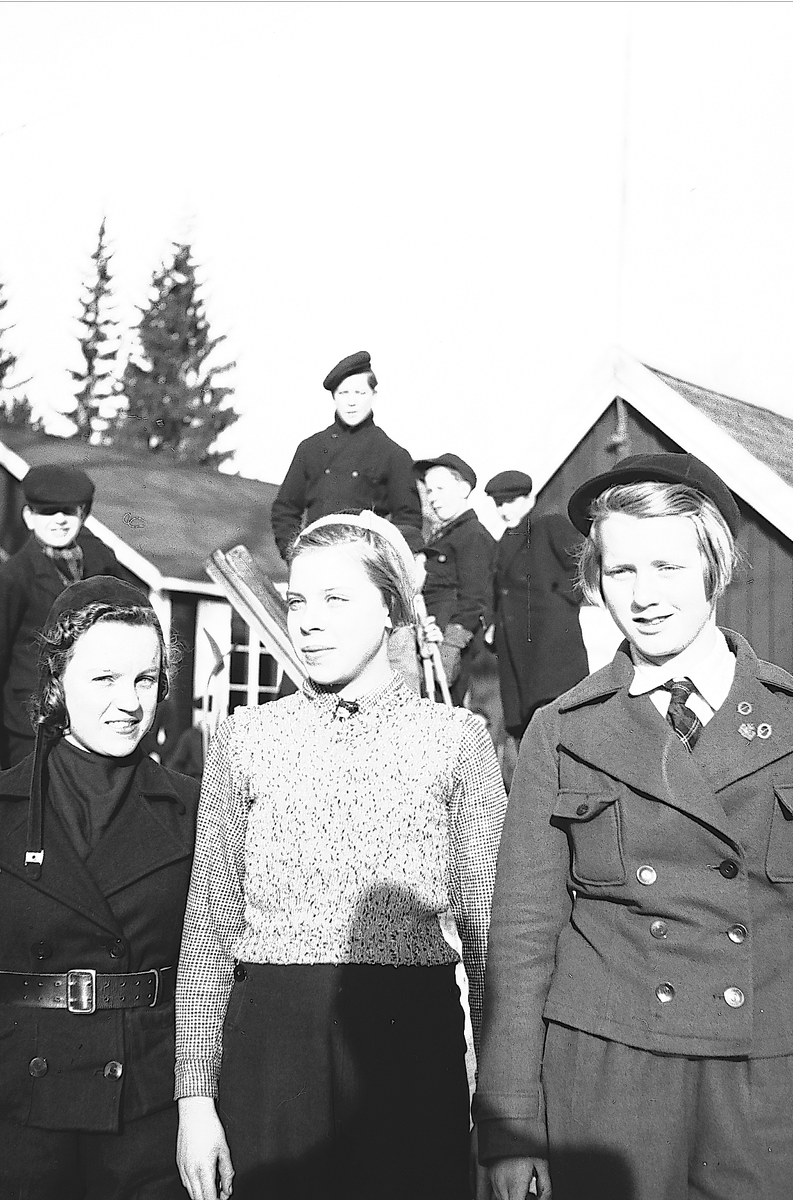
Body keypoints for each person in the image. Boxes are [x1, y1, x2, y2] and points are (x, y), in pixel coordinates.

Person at [475, 453, 793, 1200]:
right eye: (620, 571)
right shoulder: (561, 730)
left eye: (668, 567)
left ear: (715, 567)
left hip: (758, 1090)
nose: (644, 596)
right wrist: (512, 1126)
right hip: (604, 1086)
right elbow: (520, 943)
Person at [175, 511, 507, 1200]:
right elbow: (209, 929)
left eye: (335, 599)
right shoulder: (245, 738)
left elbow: (488, 940)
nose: (308, 623)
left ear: (390, 608)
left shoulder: (456, 740)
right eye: (297, 601)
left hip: (407, 1052)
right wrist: (194, 1100)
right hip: (271, 1052)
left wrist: (505, 1110)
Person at [0, 576, 199, 1200]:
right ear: (57, 682)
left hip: (149, 1116)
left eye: (145, 679)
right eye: (104, 678)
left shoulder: (197, 812)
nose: (129, 702)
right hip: (14, 1117)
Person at [0, 463, 131, 769]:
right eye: (47, 512)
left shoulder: (102, 566)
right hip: (31, 730)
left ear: (82, 515)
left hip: (94, 724)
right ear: (28, 517)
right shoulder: (7, 580)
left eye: (68, 512)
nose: (59, 520)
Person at [270, 351, 423, 558]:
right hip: (314, 560)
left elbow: (409, 521)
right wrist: (295, 555)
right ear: (334, 397)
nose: (352, 402)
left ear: (374, 396)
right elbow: (285, 509)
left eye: (360, 393)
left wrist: (381, 562)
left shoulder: (393, 454)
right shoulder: (311, 448)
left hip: (363, 564)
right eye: (343, 393)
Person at [484, 470, 588, 740]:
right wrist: (493, 625)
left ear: (529, 499)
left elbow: (583, 562)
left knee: (558, 720)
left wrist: (559, 600)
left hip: (550, 645)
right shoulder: (504, 541)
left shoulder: (549, 525)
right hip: (517, 648)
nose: (504, 510)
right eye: (498, 504)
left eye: (510, 501)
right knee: (529, 729)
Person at [414, 453, 496, 706]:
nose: (433, 497)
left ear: (463, 489)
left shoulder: (472, 536)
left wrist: (451, 646)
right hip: (430, 641)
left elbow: (475, 599)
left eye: (440, 489)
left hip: (454, 649)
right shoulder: (441, 537)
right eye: (429, 491)